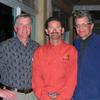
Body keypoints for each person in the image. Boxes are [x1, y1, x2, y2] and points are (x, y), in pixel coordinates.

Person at [32, 16, 78, 100]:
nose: (54, 30)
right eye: (51, 28)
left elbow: (72, 78)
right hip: (43, 97)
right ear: (47, 31)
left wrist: (62, 97)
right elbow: (36, 78)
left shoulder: (71, 50)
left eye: (57, 27)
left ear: (62, 30)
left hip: (65, 97)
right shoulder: (39, 52)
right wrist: (45, 97)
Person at [0, 13, 39, 100]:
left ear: (31, 28)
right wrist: (0, 91)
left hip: (33, 95)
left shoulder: (37, 47)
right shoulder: (4, 46)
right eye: (21, 25)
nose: (25, 28)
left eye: (28, 25)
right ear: (15, 28)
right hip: (12, 95)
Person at [72, 10, 100, 100]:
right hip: (77, 95)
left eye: (84, 25)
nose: (80, 28)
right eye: (78, 25)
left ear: (91, 26)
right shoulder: (75, 44)